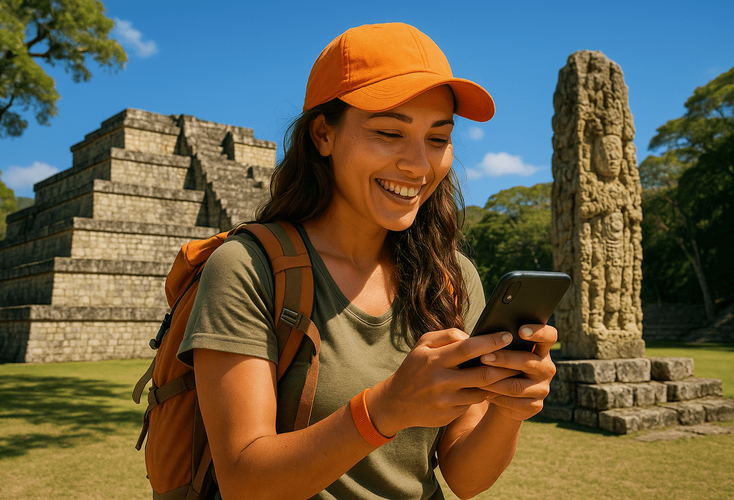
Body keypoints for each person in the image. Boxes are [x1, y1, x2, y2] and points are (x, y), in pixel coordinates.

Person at [178, 22, 557, 500]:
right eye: (388, 132)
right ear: (323, 135)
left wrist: (509, 407)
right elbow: (243, 480)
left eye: (438, 139)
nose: (418, 165)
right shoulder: (250, 267)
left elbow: (464, 477)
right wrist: (385, 409)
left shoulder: (452, 278)